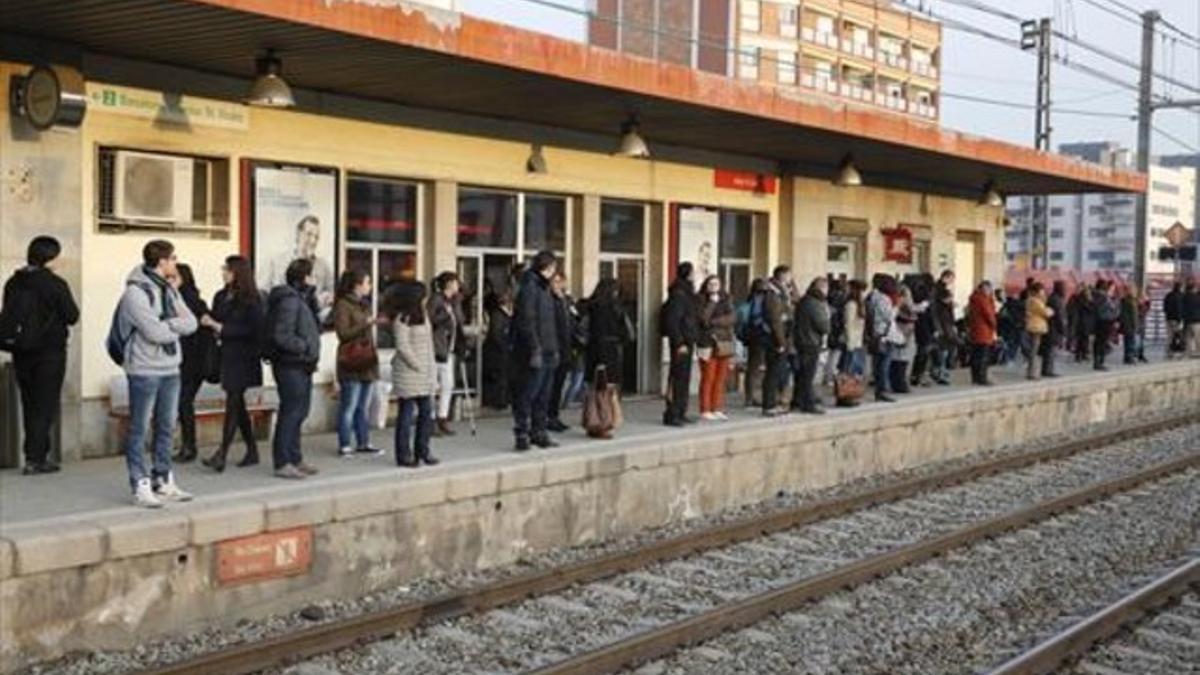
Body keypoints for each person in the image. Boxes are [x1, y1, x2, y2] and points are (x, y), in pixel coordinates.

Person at [115, 240, 197, 507]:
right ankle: (139, 483)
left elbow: (192, 323)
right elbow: (154, 333)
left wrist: (170, 321)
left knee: (166, 426)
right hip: (144, 369)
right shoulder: (136, 293)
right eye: (173, 258)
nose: (176, 262)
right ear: (162, 262)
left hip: (171, 368)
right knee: (139, 428)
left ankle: (162, 479)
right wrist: (174, 326)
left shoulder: (169, 290)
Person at [1, 236, 79, 475]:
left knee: (29, 402)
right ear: (51, 258)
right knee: (45, 405)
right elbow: (72, 315)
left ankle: (33, 455)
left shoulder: (14, 282)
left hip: (22, 350)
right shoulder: (55, 284)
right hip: (49, 352)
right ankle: (36, 458)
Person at [200, 256, 264, 472]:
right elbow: (215, 318)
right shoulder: (221, 296)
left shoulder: (252, 299)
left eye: (227, 269)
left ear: (238, 272)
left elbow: (255, 330)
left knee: (233, 401)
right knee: (238, 405)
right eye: (223, 268)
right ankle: (252, 450)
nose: (224, 272)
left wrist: (222, 328)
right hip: (225, 356)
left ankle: (222, 453)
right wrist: (208, 320)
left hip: (243, 357)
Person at [266, 258, 322, 479]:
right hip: (291, 365)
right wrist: (304, 346)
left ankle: (295, 458)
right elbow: (282, 335)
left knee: (300, 412)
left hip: (303, 364)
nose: (314, 279)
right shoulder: (289, 301)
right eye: (311, 275)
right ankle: (283, 461)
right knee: (291, 412)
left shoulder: (303, 298)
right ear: (304, 278)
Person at [511, 251, 562, 450]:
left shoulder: (546, 289)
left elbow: (552, 322)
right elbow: (527, 320)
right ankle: (522, 432)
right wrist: (535, 347)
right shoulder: (530, 287)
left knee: (544, 394)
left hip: (549, 348)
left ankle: (539, 431)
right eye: (553, 267)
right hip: (535, 350)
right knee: (529, 393)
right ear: (547, 267)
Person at [386, 280, 438, 468]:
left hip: (424, 372)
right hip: (408, 372)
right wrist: (417, 365)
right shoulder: (402, 318)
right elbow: (402, 346)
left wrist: (431, 369)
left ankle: (423, 450)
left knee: (426, 413)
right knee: (406, 414)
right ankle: (403, 454)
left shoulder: (423, 316)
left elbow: (429, 344)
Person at [333, 269, 380, 457]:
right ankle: (344, 443)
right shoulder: (343, 305)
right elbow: (343, 333)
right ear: (357, 285)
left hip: (367, 359)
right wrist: (366, 323)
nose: (369, 287)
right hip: (351, 359)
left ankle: (364, 441)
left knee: (363, 406)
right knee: (349, 405)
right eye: (367, 282)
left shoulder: (364, 304)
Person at [174, 263, 213, 464]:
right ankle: (188, 445)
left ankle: (189, 447)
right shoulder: (184, 297)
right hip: (187, 360)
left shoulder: (187, 299)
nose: (170, 282)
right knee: (182, 403)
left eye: (174, 278)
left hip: (192, 361)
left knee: (183, 402)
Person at [262, 215, 334, 308]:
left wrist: (325, 299)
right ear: (298, 233)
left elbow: (331, 293)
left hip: (311, 317)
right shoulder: (277, 262)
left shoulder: (323, 266)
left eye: (316, 237)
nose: (313, 241)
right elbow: (263, 293)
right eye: (309, 234)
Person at [662, 262, 701, 426]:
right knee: (677, 378)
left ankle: (681, 411)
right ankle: (672, 414)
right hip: (681, 342)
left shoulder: (688, 292)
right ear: (688, 274)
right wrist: (679, 342)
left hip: (688, 340)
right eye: (693, 272)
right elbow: (673, 321)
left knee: (684, 379)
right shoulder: (679, 294)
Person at [428, 271, 465, 437]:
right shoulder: (436, 299)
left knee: (447, 385)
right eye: (456, 282)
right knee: (432, 385)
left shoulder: (454, 301)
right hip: (436, 347)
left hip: (450, 347)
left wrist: (455, 306)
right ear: (449, 284)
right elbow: (430, 320)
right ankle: (430, 418)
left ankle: (442, 417)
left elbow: (459, 320)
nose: (458, 286)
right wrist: (445, 313)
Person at [697, 275, 736, 420]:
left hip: (724, 342)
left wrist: (714, 322)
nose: (714, 287)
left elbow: (732, 318)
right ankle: (705, 408)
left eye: (716, 284)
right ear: (706, 285)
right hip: (707, 343)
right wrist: (712, 304)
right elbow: (702, 319)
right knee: (708, 376)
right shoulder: (701, 299)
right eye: (711, 284)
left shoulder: (726, 299)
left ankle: (717, 407)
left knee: (721, 377)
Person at [792, 277, 831, 414]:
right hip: (811, 342)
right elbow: (823, 325)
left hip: (801, 340)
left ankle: (797, 400)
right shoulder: (815, 303)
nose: (827, 291)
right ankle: (808, 404)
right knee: (808, 374)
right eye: (826, 288)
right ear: (820, 288)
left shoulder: (804, 300)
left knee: (801, 374)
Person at [761, 266, 794, 415]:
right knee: (772, 372)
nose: (791, 279)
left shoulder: (783, 292)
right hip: (775, 339)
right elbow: (775, 320)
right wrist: (780, 342)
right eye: (789, 276)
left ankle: (775, 402)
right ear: (782, 276)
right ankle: (769, 405)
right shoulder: (773, 294)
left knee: (778, 371)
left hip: (782, 336)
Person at [586, 278, 627, 392]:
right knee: (609, 390)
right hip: (609, 352)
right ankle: (609, 410)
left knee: (595, 390)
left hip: (596, 351)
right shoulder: (614, 308)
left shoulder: (593, 306)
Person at [546, 272, 575, 433]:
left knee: (558, 386)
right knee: (550, 386)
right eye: (555, 281)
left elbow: (570, 323)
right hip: (553, 349)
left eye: (561, 281)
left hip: (565, 348)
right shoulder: (548, 300)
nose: (558, 284)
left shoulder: (566, 300)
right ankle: (547, 417)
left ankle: (554, 416)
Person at [866, 274, 897, 402]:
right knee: (884, 364)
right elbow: (889, 316)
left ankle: (880, 390)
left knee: (877, 364)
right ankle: (882, 390)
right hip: (884, 334)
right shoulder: (883, 299)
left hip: (875, 333)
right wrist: (897, 307)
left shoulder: (871, 297)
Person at [737, 279, 768, 407]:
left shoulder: (747, 302)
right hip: (759, 337)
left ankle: (750, 396)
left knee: (752, 368)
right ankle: (751, 397)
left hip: (751, 338)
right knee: (755, 368)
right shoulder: (760, 301)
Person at [481, 288, 513, 409]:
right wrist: (506, 344)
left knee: (504, 376)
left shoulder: (505, 314)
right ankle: (499, 401)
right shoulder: (498, 315)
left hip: (503, 349)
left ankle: (504, 399)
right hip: (497, 351)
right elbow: (496, 334)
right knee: (500, 376)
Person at [967, 280, 997, 386]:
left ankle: (975, 378)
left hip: (975, 331)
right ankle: (982, 378)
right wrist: (995, 326)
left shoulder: (973, 299)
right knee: (983, 356)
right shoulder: (983, 300)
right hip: (984, 331)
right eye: (988, 289)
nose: (989, 291)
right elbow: (989, 314)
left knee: (975, 355)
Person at [889, 285, 918, 395]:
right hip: (903, 333)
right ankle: (899, 384)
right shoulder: (900, 305)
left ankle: (898, 382)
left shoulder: (899, 304)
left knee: (899, 358)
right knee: (901, 359)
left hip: (902, 333)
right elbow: (910, 317)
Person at [930, 270, 957, 385]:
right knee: (943, 349)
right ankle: (940, 372)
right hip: (943, 324)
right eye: (952, 278)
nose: (952, 281)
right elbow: (938, 307)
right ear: (946, 277)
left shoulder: (938, 289)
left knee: (943, 349)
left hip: (944, 324)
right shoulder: (939, 290)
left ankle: (939, 370)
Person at [1024, 282, 1053, 380]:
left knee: (1034, 350)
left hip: (1036, 326)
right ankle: (1032, 373)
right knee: (1034, 350)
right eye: (1042, 290)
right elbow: (1046, 312)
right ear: (1037, 291)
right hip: (1035, 327)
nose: (1043, 292)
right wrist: (1050, 310)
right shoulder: (1035, 301)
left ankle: (1031, 371)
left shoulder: (1034, 300)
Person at [840, 279, 867, 377]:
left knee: (848, 366)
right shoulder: (860, 305)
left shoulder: (851, 305)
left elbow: (848, 324)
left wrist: (849, 342)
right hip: (857, 340)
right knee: (855, 367)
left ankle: (847, 387)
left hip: (851, 341)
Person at [1042, 280, 1066, 378]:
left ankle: (1047, 369)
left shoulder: (1053, 298)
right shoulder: (1057, 300)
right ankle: (1048, 370)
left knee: (1050, 349)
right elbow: (1059, 316)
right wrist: (1063, 329)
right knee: (1051, 349)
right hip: (1054, 328)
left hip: (1052, 327)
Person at [1093, 280, 1118, 371]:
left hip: (1098, 321)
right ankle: (1100, 362)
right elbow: (1112, 307)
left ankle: (1097, 361)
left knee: (1098, 342)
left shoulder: (1094, 295)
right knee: (1102, 342)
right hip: (1105, 321)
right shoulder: (1104, 297)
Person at [1071, 285, 1095, 362]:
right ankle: (1082, 355)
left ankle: (1080, 356)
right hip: (1084, 323)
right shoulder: (1086, 301)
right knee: (1083, 340)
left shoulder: (1078, 300)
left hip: (1081, 323)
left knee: (1081, 340)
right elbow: (1091, 310)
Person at [1118, 285, 1141, 366]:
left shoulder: (1123, 301)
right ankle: (1130, 358)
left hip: (1125, 325)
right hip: (1130, 325)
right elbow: (1134, 315)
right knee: (1131, 342)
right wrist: (1136, 326)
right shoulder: (1131, 301)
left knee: (1127, 341)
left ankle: (1126, 358)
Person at [1163, 282, 1185, 359]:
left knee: (1169, 336)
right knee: (1178, 336)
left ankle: (1168, 353)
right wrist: (1180, 319)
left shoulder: (1168, 295)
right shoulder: (1181, 296)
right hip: (1177, 319)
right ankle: (1178, 352)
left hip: (1169, 318)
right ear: (1180, 287)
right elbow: (1179, 308)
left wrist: (1167, 315)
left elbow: (1165, 308)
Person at [1185, 280, 1200, 358]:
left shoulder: (1184, 297)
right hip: (1196, 320)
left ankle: (1189, 352)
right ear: (1193, 289)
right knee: (1198, 337)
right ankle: (1198, 352)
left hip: (1187, 320)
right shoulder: (1197, 298)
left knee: (1188, 337)